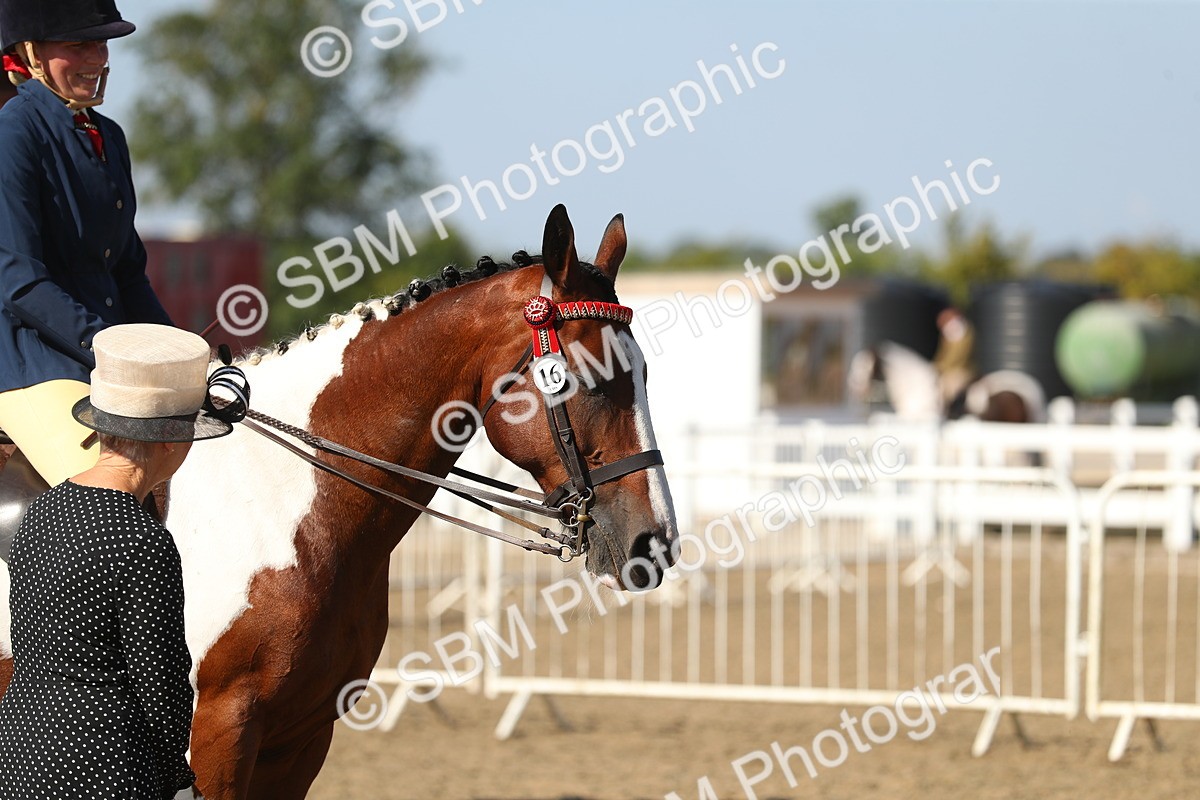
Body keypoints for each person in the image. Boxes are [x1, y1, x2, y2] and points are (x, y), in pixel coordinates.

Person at [0, 324, 238, 799]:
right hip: (106, 765)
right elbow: (162, 684)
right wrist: (178, 779)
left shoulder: (40, 512)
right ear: (169, 441)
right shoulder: (143, 540)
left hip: (21, 754)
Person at [0, 0, 173, 488]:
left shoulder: (108, 137)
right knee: (109, 493)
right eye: (78, 45)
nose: (97, 58)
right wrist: (108, 347)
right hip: (32, 365)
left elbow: (128, 273)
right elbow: (19, 282)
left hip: (103, 361)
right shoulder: (13, 133)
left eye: (100, 43)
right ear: (30, 53)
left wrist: (177, 353)